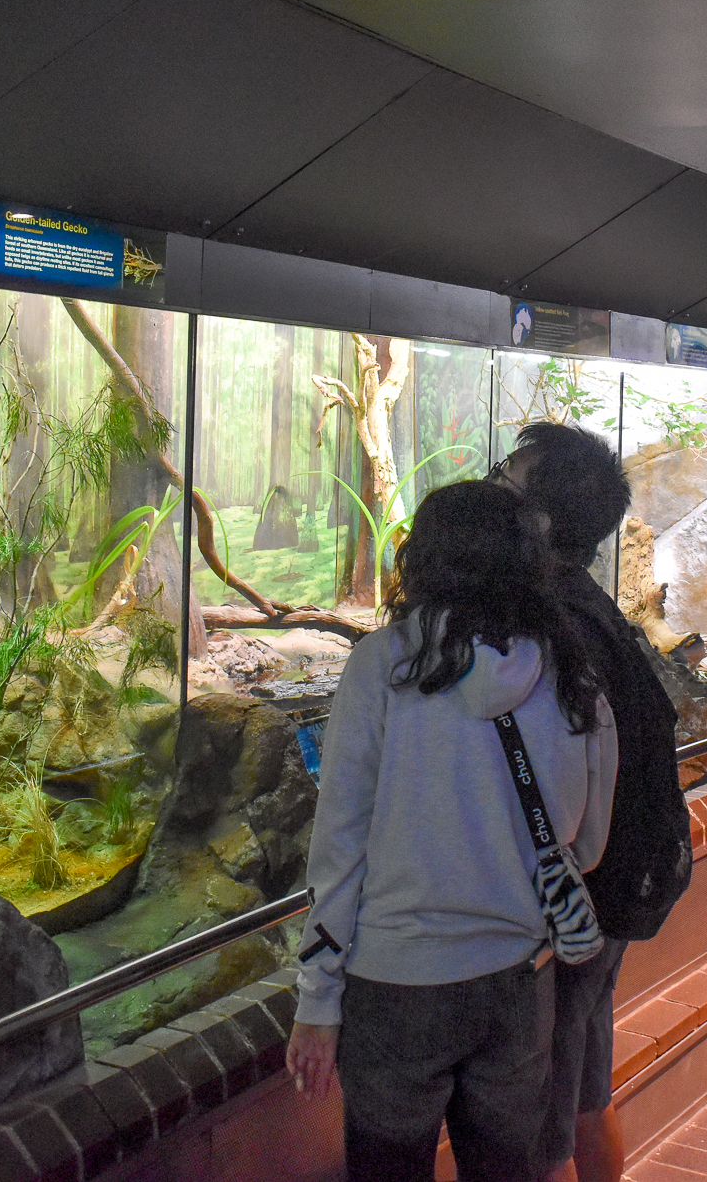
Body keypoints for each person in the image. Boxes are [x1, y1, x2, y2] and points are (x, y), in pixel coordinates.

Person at [287, 480, 618, 1182]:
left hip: (396, 984)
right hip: (519, 982)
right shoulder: (569, 673)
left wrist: (317, 998)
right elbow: (585, 847)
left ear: (424, 558)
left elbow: (339, 845)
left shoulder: (384, 665)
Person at [493, 422, 685, 1182]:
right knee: (582, 1093)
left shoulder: (549, 624)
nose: (492, 487)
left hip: (573, 906)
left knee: (543, 1132)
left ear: (538, 518)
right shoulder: (589, 607)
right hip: (610, 899)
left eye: (506, 478)